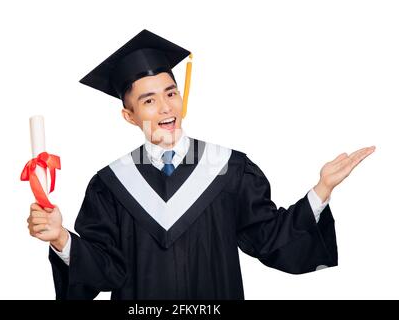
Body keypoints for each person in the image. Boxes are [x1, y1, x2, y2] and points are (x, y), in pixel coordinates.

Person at [26, 29, 375, 300]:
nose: (165, 108)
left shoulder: (227, 169)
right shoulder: (111, 185)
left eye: (171, 93)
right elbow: (106, 270)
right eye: (148, 100)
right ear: (129, 115)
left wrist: (321, 190)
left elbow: (269, 238)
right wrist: (60, 237)